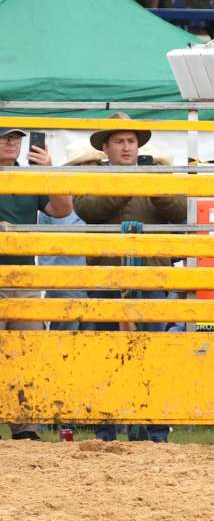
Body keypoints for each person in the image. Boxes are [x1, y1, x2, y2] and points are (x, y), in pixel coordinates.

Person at [73, 115, 187, 443]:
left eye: (131, 141)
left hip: (151, 275)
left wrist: (149, 183)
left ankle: (153, 430)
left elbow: (180, 210)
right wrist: (132, 183)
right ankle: (105, 429)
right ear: (105, 147)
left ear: (139, 145)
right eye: (120, 141)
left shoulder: (159, 173)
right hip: (105, 279)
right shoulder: (90, 176)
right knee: (106, 353)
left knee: (151, 352)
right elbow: (88, 210)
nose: (127, 147)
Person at [0, 127, 73, 440]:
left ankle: (25, 426)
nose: (11, 142)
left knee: (28, 352)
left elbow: (62, 209)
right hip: (17, 274)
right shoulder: (26, 178)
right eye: (5, 138)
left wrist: (49, 172)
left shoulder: (32, 177)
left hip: (25, 275)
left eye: (15, 138)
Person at [42, 141, 105, 331]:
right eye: (82, 165)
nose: (87, 169)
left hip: (87, 282)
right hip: (64, 282)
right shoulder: (57, 200)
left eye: (92, 164)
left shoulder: (99, 200)